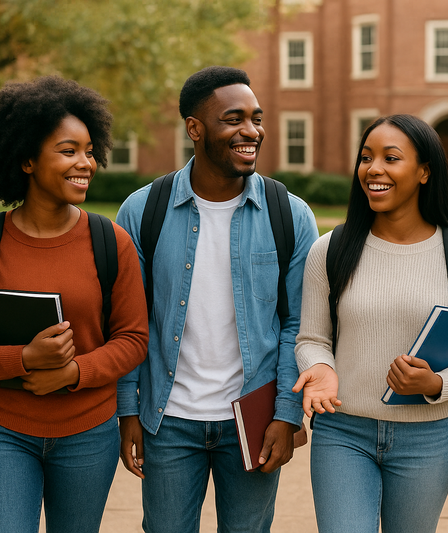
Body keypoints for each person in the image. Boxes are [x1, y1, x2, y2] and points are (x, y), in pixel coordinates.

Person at [0, 76, 149, 533]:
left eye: (90, 151)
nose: (86, 163)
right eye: (68, 150)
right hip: (3, 433)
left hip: (87, 433)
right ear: (28, 160)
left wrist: (75, 373)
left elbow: (133, 340)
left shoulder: (111, 242)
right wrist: (23, 359)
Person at [115, 65, 318, 533]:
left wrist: (286, 416)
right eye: (234, 119)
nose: (252, 131)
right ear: (195, 128)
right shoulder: (143, 210)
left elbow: (298, 325)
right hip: (168, 421)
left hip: (252, 420)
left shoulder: (290, 214)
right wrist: (128, 410)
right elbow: (129, 321)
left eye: (257, 118)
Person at [293, 114, 448, 533]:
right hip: (342, 432)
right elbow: (311, 338)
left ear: (423, 172)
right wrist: (322, 369)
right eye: (366, 158)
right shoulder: (331, 249)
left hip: (427, 440)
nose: (373, 169)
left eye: (391, 158)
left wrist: (437, 385)